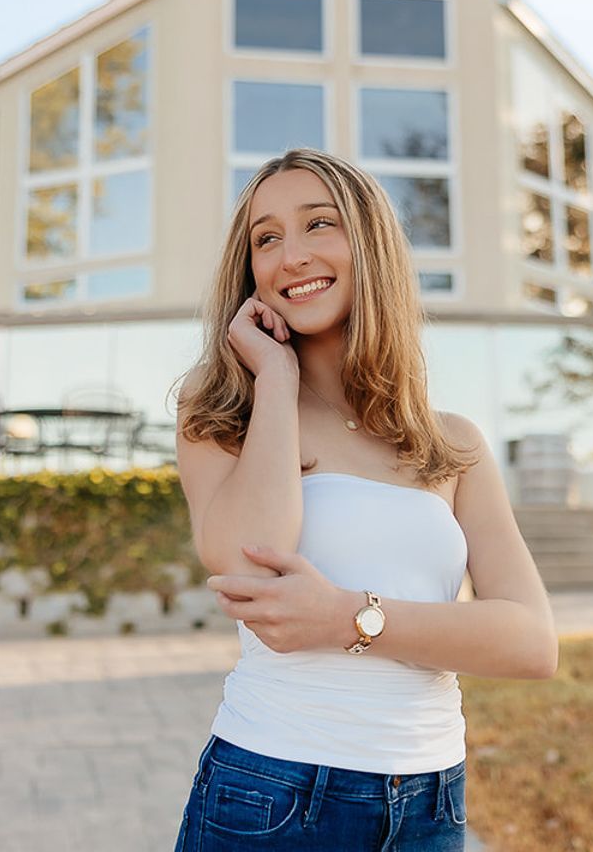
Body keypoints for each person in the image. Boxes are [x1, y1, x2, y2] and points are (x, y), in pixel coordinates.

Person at [171, 148, 558, 850]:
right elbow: (249, 562)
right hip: (273, 795)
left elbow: (531, 643)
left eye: (319, 224)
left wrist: (350, 618)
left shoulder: (452, 445)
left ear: (370, 246)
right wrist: (277, 382)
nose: (290, 256)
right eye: (266, 238)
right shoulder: (223, 415)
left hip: (432, 802)